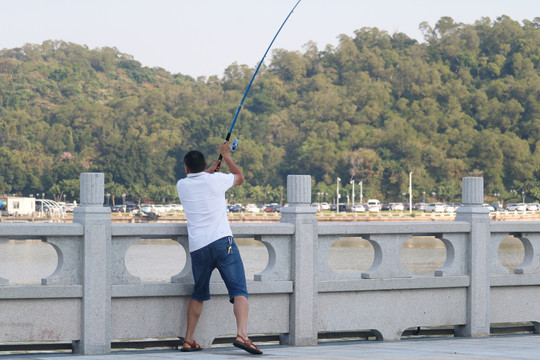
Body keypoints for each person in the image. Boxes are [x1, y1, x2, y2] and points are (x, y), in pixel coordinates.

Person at [176, 141, 262, 355]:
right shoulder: (217, 181)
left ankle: (188, 339)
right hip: (223, 243)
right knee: (239, 291)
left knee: (199, 294)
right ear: (205, 163)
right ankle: (242, 335)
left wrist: (208, 170)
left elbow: (198, 177)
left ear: (186, 168)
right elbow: (239, 177)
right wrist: (227, 156)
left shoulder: (182, 185)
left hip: (199, 248)